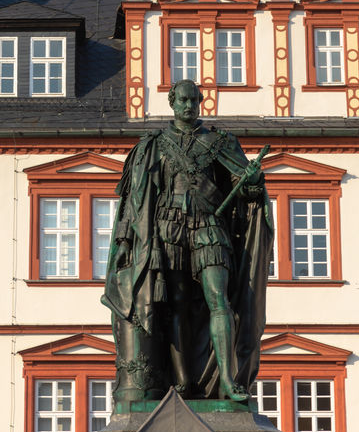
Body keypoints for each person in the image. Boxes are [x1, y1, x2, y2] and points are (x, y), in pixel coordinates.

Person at [102, 79, 273, 411]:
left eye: (194, 100)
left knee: (218, 300)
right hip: (166, 231)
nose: (189, 106)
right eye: (183, 100)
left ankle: (227, 379)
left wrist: (253, 183)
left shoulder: (220, 142)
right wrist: (124, 241)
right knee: (177, 306)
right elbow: (133, 202)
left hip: (209, 227)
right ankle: (183, 381)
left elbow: (247, 193)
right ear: (171, 101)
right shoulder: (153, 145)